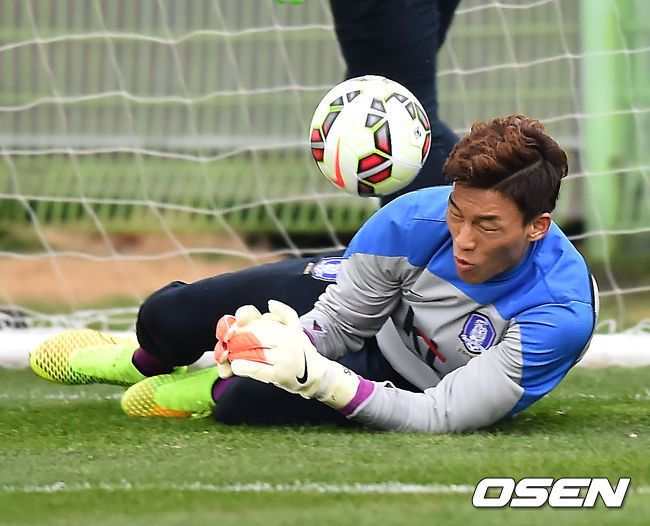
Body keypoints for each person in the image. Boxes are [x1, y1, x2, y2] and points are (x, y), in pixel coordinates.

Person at [31, 115, 598, 433]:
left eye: (488, 225)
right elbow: (343, 324)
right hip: (368, 319)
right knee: (166, 317)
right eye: (457, 213)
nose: (463, 238)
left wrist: (317, 378)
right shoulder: (411, 221)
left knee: (242, 403)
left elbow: (441, 414)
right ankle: (140, 362)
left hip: (414, 384)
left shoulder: (559, 313)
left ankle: (214, 386)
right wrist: (276, 339)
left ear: (537, 227)